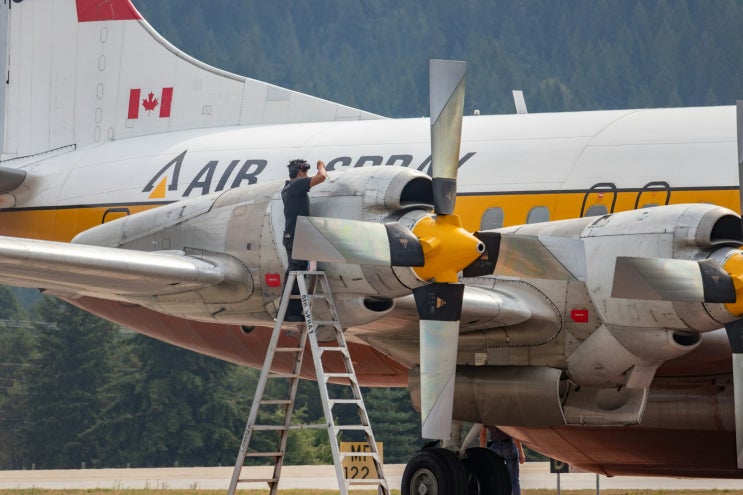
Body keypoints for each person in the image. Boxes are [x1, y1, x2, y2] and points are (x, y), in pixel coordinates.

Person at [281, 158, 327, 321]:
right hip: (296, 236)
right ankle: (289, 312)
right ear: (300, 173)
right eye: (305, 172)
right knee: (295, 272)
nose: (307, 174)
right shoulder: (296, 185)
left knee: (295, 271)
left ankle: (291, 311)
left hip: (293, 235)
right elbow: (321, 177)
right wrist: (321, 167)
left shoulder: (288, 187)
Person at [485, 425, 525, 495]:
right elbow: (515, 434)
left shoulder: (488, 416)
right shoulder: (507, 415)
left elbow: (482, 434)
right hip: (508, 445)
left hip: (494, 448)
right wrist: (521, 452)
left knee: (498, 480)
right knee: (514, 480)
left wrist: (483, 452)